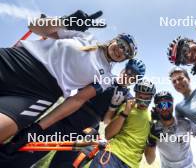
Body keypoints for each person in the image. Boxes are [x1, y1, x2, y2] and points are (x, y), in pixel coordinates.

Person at [0, 10, 138, 143]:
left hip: (40, 93)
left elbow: (77, 100)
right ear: (114, 40)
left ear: (125, 59)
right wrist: (65, 21)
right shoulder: (87, 37)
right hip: (18, 60)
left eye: (126, 52)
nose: (121, 50)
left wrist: (39, 128)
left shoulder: (107, 78)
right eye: (121, 44)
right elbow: (35, 27)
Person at [0, 58, 146, 168]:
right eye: (128, 71)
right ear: (123, 69)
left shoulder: (128, 99)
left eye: (133, 76)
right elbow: (76, 93)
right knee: (29, 151)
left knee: (64, 165)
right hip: (67, 117)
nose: (128, 76)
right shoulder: (105, 77)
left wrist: (113, 107)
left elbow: (107, 121)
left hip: (86, 129)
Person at [144, 91, 196, 168]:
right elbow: (149, 161)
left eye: (168, 104)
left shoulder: (186, 124)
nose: (165, 108)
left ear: (173, 105)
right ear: (156, 108)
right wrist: (151, 140)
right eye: (161, 105)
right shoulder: (154, 129)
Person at [89, 79, 156, 168]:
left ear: (152, 98)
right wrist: (125, 112)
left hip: (131, 164)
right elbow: (108, 135)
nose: (143, 101)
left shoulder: (154, 119)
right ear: (135, 94)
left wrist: (153, 139)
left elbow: (150, 160)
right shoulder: (126, 106)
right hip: (112, 155)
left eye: (147, 98)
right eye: (140, 97)